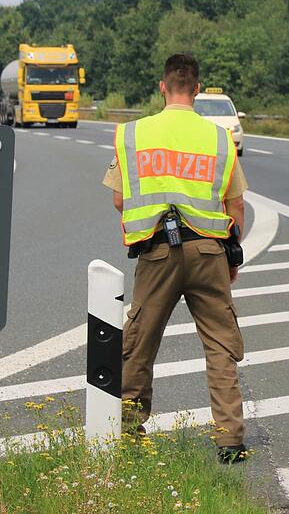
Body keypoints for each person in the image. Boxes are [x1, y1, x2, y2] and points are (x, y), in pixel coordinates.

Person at [102, 54, 249, 463]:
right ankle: (231, 441)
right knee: (220, 344)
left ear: (162, 87)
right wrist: (231, 258)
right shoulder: (219, 139)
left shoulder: (134, 134)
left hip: (157, 254)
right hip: (209, 252)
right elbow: (236, 206)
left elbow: (119, 200)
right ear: (197, 90)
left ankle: (129, 433)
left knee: (139, 343)